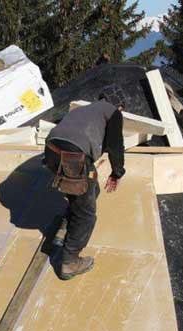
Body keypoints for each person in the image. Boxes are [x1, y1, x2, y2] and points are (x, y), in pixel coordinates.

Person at [44, 97, 125, 280]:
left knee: (91, 190)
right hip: (73, 156)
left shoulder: (84, 110)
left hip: (51, 149)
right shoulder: (113, 112)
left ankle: (64, 230)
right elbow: (115, 145)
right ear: (119, 106)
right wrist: (117, 172)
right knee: (86, 213)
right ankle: (69, 261)